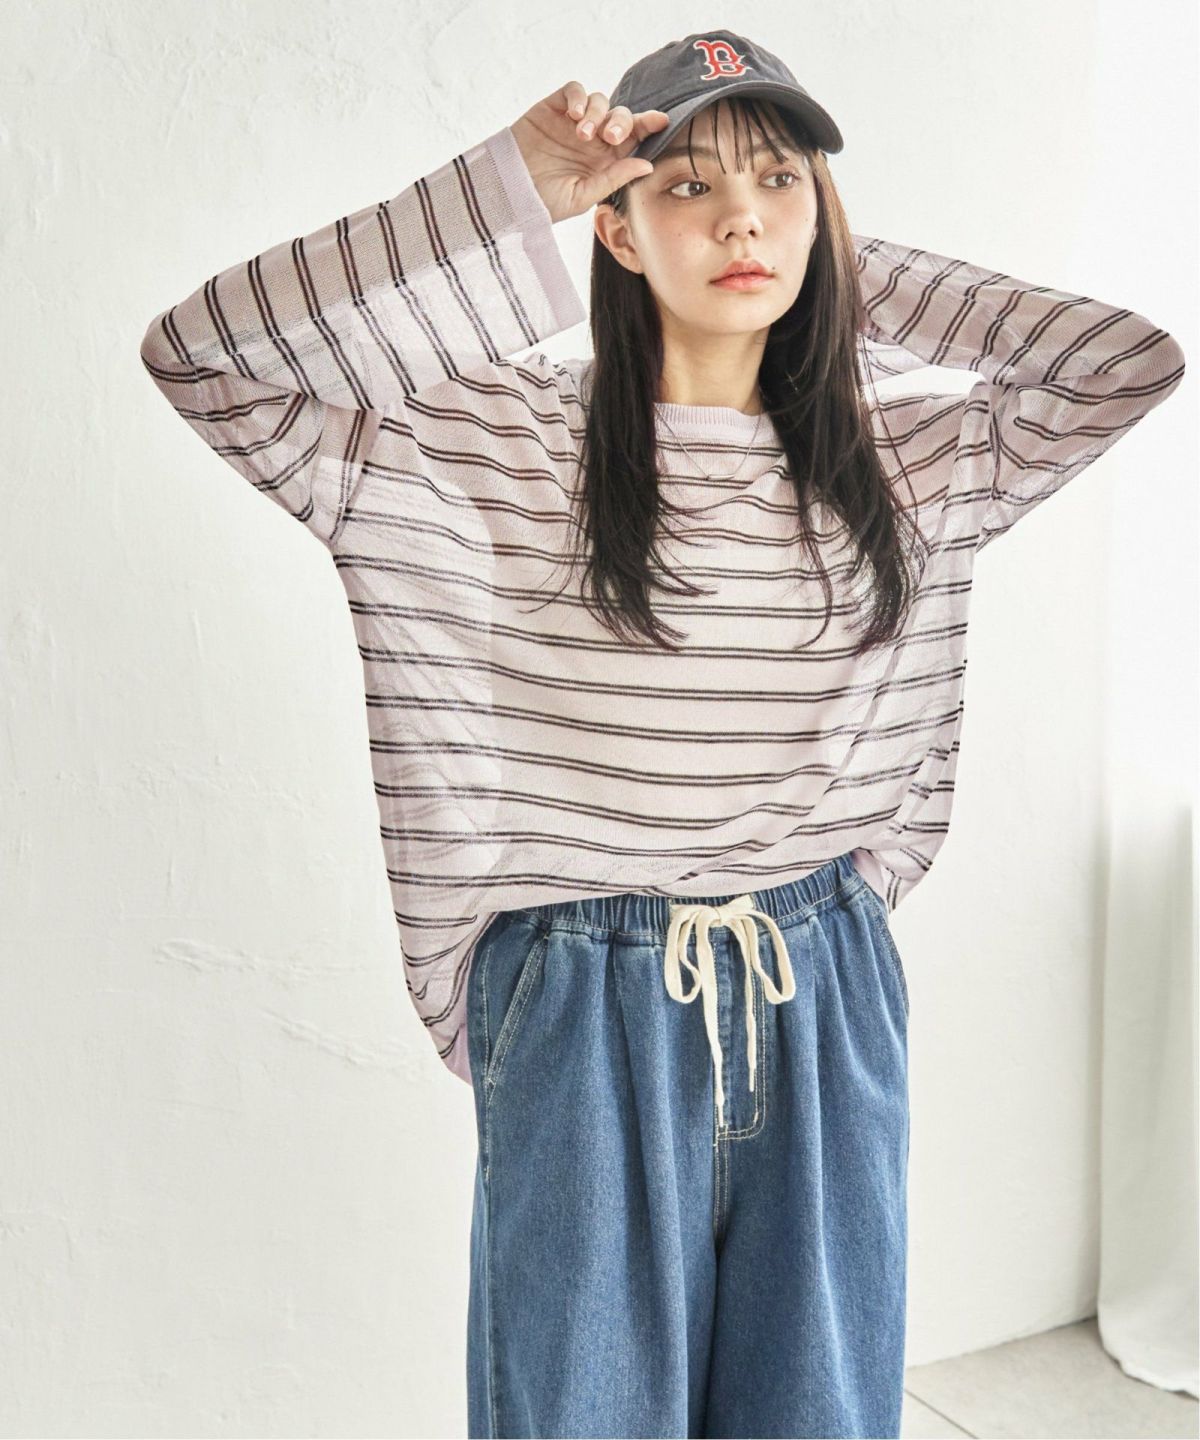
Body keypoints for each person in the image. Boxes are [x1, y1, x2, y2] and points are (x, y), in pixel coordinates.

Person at [138, 30, 1186, 1440]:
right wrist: (509, 194)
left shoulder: (905, 461)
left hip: (821, 973)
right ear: (616, 232)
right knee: (582, 1414)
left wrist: (830, 272)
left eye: (778, 181)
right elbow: (205, 361)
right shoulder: (485, 449)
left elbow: (1125, 362)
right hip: (580, 998)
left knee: (821, 1410)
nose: (741, 218)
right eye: (689, 186)